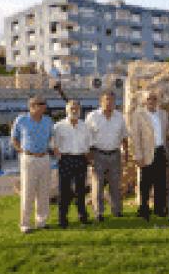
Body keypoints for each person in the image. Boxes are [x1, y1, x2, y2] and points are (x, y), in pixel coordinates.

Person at [11, 95, 54, 234]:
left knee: (43, 191)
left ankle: (41, 222)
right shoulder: (21, 120)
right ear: (32, 106)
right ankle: (25, 224)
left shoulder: (48, 121)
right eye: (42, 104)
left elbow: (52, 138)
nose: (44, 106)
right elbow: (14, 138)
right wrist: (21, 151)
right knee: (28, 192)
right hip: (28, 159)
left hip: (44, 158)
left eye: (44, 104)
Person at [85, 90, 128, 222]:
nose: (109, 103)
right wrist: (89, 157)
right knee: (97, 185)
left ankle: (117, 210)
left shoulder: (119, 117)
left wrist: (125, 153)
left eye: (112, 100)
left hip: (115, 153)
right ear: (101, 101)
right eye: (106, 100)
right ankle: (99, 213)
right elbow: (86, 138)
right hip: (98, 154)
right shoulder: (92, 117)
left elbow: (124, 137)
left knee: (115, 185)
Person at [130, 90, 169, 220]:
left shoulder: (163, 114)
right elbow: (135, 136)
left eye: (153, 98)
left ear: (157, 100)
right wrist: (138, 156)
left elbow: (168, 132)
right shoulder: (138, 114)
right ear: (144, 101)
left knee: (161, 183)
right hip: (146, 153)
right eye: (149, 99)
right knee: (145, 183)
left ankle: (159, 209)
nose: (151, 101)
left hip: (160, 151)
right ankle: (144, 209)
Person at [53, 100, 91, 229]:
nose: (74, 111)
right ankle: (62, 218)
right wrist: (61, 158)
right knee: (64, 191)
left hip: (81, 159)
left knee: (81, 190)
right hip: (66, 159)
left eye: (76, 108)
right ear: (66, 110)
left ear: (80, 110)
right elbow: (54, 145)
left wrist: (87, 159)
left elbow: (88, 144)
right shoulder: (58, 126)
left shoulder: (85, 126)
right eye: (71, 109)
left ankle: (82, 216)